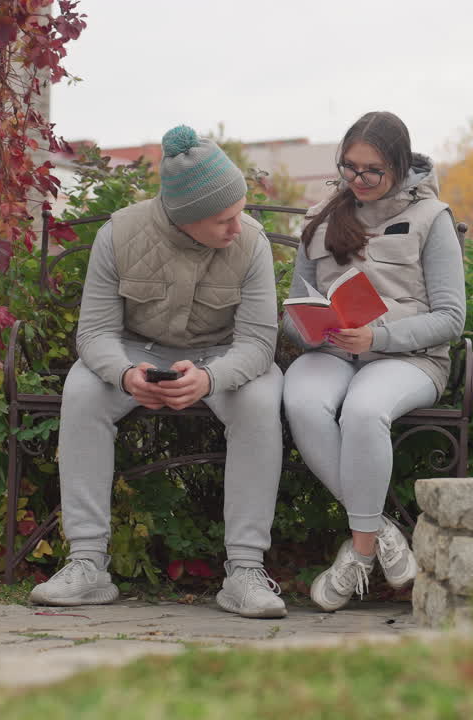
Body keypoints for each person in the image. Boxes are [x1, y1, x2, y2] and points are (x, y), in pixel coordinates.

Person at [29, 126, 286, 619]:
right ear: (186, 217)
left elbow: (258, 342)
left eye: (240, 211)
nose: (239, 226)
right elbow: (95, 333)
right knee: (82, 390)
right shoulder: (119, 234)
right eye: (224, 219)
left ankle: (245, 572)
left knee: (258, 400)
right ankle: (87, 565)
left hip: (221, 358)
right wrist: (126, 374)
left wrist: (210, 379)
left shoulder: (250, 243)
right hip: (135, 354)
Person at [282, 111, 466, 612]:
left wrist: (377, 337)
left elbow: (451, 318)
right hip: (332, 351)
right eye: (349, 168)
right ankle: (381, 529)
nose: (358, 181)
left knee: (363, 411)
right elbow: (294, 308)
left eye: (372, 171)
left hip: (409, 357)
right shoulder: (320, 217)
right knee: (300, 400)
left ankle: (360, 554)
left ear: (401, 167)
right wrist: (305, 325)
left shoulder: (433, 219)